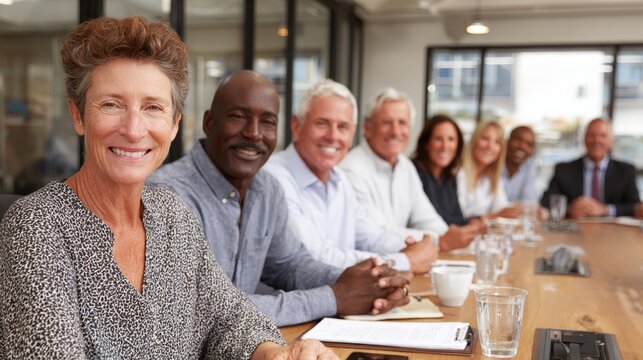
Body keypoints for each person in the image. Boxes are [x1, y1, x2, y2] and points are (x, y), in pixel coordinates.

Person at [0, 17, 335, 359]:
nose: (133, 129)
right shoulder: (37, 227)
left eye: (153, 107)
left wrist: (274, 355)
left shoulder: (170, 214)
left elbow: (230, 320)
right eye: (112, 104)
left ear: (174, 124)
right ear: (78, 116)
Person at [149, 70, 410, 327]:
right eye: (238, 117)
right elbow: (205, 310)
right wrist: (334, 297)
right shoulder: (169, 195)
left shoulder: (267, 188)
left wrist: (370, 284)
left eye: (268, 122)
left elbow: (290, 265)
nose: (254, 133)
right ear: (208, 123)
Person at [266, 80, 437, 274]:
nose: (333, 136)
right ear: (297, 127)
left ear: (352, 133)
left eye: (343, 127)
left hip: (339, 298)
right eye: (322, 123)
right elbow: (314, 257)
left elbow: (368, 235)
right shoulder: (274, 178)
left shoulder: (339, 178)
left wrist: (407, 247)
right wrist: (403, 261)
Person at [341, 90, 481, 252]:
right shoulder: (351, 169)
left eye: (402, 123)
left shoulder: (405, 166)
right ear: (367, 128)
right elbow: (377, 232)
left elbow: (426, 217)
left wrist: (450, 235)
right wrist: (440, 240)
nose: (395, 131)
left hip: (400, 260)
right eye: (386, 122)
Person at [541, 118, 640, 218]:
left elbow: (636, 207)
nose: (596, 140)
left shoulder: (626, 171)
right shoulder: (564, 170)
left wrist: (605, 210)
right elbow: (546, 202)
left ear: (611, 141)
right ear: (584, 139)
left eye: (603, 136)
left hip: (613, 230)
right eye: (592, 135)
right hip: (575, 229)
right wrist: (569, 209)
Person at [412, 114, 473, 227]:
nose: (445, 146)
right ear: (426, 143)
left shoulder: (449, 177)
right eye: (438, 139)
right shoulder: (413, 173)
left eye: (451, 139)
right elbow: (432, 220)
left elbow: (458, 218)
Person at [457, 121, 520, 219]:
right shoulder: (458, 172)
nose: (490, 146)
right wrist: (492, 216)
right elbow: (457, 216)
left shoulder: (491, 177)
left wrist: (521, 210)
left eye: (497, 142)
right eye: (485, 138)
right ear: (474, 140)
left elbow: (501, 207)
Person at [502, 125, 538, 203]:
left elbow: (530, 203)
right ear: (507, 141)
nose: (522, 147)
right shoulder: (493, 163)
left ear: (532, 151)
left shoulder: (529, 167)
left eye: (529, 144)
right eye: (518, 140)